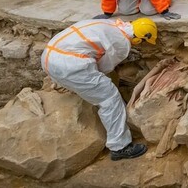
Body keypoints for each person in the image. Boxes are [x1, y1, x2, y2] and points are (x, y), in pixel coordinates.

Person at [41, 17, 158, 161]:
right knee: (110, 98)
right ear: (140, 38)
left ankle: (72, 85)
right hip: (70, 65)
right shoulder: (121, 43)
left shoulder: (113, 23)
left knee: (100, 86)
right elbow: (105, 67)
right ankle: (120, 146)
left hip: (49, 56)